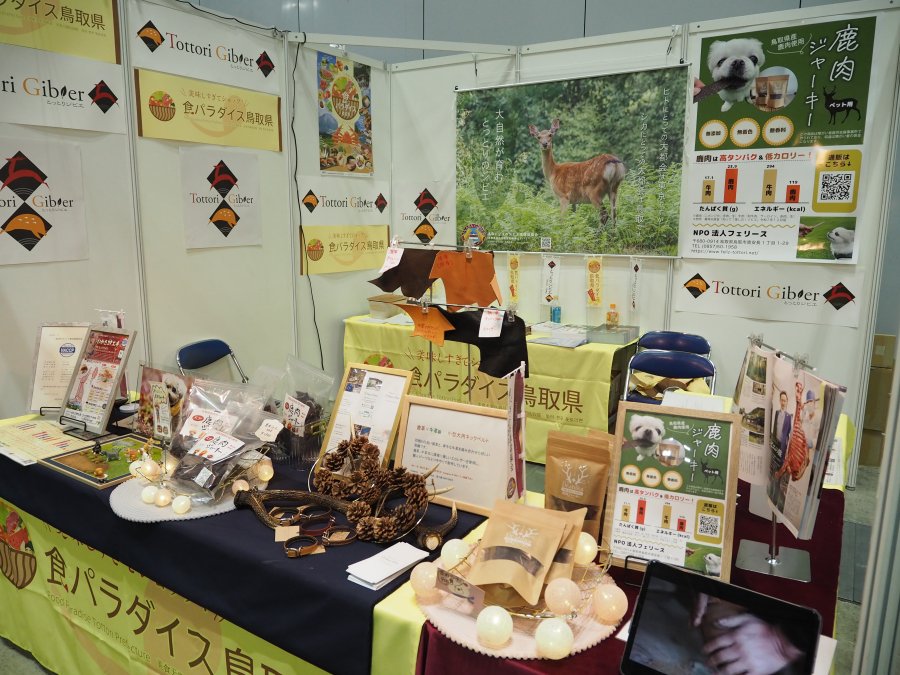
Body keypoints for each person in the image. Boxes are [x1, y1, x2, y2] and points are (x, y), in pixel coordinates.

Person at [770, 390, 792, 461]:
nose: (783, 403)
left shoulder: (789, 417)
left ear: (787, 402)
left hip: (782, 446)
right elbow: (774, 428)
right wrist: (772, 441)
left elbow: (788, 433)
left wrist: (786, 446)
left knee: (780, 462)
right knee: (773, 460)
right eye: (782, 400)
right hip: (775, 443)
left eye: (784, 401)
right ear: (779, 400)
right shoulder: (776, 413)